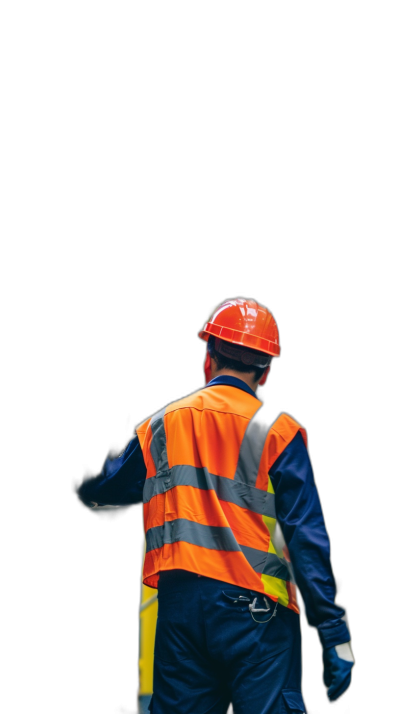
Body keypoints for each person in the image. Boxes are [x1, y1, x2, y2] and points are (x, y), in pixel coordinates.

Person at [75, 297, 355, 714]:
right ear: (266, 370)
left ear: (208, 356)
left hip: (180, 615)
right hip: (259, 619)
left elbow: (101, 486)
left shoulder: (164, 424)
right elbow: (306, 538)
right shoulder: (277, 430)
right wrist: (334, 635)